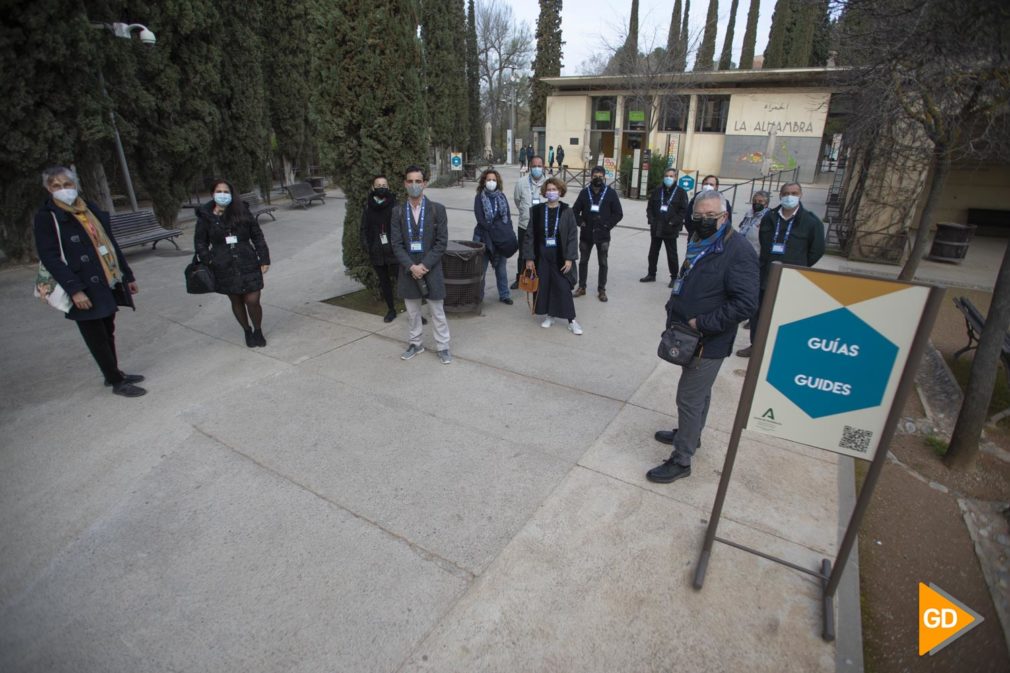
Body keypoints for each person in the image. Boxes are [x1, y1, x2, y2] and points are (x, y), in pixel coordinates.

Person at [646, 191, 759, 484]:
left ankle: (682, 459)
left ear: (725, 216)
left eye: (711, 216)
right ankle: (690, 435)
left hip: (709, 340)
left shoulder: (738, 251)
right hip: (687, 335)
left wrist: (702, 322)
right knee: (700, 394)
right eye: (699, 216)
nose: (704, 221)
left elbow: (746, 303)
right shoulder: (698, 241)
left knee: (689, 397)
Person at [33, 166, 145, 397]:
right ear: (48, 189)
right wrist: (75, 290)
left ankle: (113, 371)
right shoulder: (47, 217)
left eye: (67, 184)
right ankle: (116, 381)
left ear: (75, 184)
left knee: (107, 328)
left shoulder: (88, 209)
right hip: (81, 284)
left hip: (106, 279)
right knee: (95, 335)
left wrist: (127, 275)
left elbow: (111, 245)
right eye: (56, 186)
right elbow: (50, 257)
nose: (63, 189)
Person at [738, 182, 825, 357]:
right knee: (758, 313)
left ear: (800, 195)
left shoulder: (810, 221)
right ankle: (755, 345)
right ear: (780, 196)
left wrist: (799, 265)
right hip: (766, 274)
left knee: (784, 314)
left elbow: (817, 250)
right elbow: (763, 240)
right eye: (786, 193)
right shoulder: (770, 217)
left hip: (791, 276)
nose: (789, 196)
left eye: (794, 193)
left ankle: (778, 349)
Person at [195, 179, 271, 347]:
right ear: (213, 194)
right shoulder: (206, 216)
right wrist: (209, 260)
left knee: (252, 300)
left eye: (226, 192)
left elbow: (257, 235)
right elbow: (200, 242)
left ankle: (258, 329)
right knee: (236, 300)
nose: (223, 195)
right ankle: (247, 331)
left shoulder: (242, 210)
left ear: (232, 194)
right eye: (219, 191)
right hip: (223, 264)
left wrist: (264, 258)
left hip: (247, 260)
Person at [391, 165, 453, 364]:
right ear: (405, 183)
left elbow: (441, 242)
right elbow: (396, 244)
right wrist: (411, 267)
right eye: (410, 181)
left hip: (431, 269)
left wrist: (424, 266)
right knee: (412, 313)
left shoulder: (437, 210)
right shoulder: (398, 212)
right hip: (409, 270)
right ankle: (415, 343)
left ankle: (443, 346)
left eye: (418, 181)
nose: (414, 185)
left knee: (437, 312)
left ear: (424, 183)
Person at [523, 177, 582, 335]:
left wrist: (570, 258)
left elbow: (572, 236)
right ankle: (550, 315)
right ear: (544, 192)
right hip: (541, 256)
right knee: (545, 286)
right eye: (548, 190)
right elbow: (529, 235)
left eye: (554, 190)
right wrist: (529, 257)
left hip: (560, 257)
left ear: (560, 191)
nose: (551, 192)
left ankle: (572, 321)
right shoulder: (536, 211)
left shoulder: (567, 211)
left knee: (563, 287)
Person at [572, 165, 623, 302]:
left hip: (603, 235)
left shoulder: (611, 194)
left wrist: (607, 225)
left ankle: (602, 290)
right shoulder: (584, 193)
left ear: (604, 178)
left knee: (603, 262)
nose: (597, 179)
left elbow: (618, 213)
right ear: (591, 177)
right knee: (583, 261)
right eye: (595, 176)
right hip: (586, 234)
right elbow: (574, 211)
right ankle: (582, 287)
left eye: (600, 177)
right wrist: (581, 222)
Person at [641, 167, 688, 288]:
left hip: (670, 229)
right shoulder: (657, 191)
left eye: (671, 176)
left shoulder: (681, 192)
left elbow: (683, 211)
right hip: (657, 227)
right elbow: (650, 207)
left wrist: (673, 222)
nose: (668, 178)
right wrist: (651, 220)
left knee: (672, 254)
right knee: (653, 253)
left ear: (676, 177)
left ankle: (673, 277)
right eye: (667, 176)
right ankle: (651, 274)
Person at [360, 174, 399, 322]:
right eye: (378, 186)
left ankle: (413, 312)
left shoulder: (395, 205)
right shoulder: (368, 207)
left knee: (403, 281)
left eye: (384, 186)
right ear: (373, 188)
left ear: (388, 187)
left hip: (394, 251)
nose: (381, 188)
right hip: (377, 251)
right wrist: (367, 246)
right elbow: (363, 228)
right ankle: (391, 310)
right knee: (384, 282)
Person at [473, 168, 514, 305]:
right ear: (484, 181)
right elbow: (480, 218)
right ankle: (478, 297)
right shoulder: (479, 197)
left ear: (498, 182)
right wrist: (492, 230)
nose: (491, 182)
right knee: (481, 270)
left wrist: (507, 232)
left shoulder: (501, 197)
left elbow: (507, 216)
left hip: (500, 238)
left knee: (501, 268)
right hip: (483, 237)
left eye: (494, 180)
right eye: (489, 179)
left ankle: (504, 295)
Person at [511, 154, 548, 289]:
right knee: (523, 253)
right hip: (525, 225)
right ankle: (520, 278)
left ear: (543, 167)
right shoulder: (521, 183)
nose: (537, 168)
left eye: (539, 166)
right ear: (529, 167)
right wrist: (525, 212)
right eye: (534, 166)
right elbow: (517, 200)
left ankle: (539, 278)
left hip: (542, 227)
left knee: (541, 253)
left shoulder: (549, 183)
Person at [686, 175, 732, 239]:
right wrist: (693, 232)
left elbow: (727, 222)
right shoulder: (694, 200)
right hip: (695, 237)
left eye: (711, 184)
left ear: (716, 187)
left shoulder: (724, 202)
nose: (708, 186)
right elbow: (688, 218)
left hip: (715, 238)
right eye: (706, 184)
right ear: (702, 185)